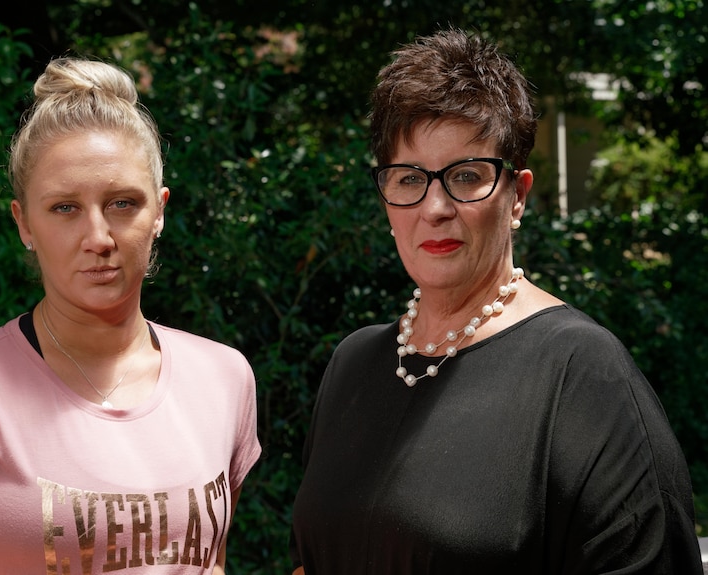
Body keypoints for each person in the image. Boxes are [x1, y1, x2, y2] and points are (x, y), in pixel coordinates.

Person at [289, 28, 702, 574]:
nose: (434, 206)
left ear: (517, 196)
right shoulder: (353, 364)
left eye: (466, 176)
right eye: (410, 178)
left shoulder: (583, 378)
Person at [0, 57, 261, 574]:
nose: (98, 238)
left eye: (123, 203)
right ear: (24, 223)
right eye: (64, 207)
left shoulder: (223, 378)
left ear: (160, 211)